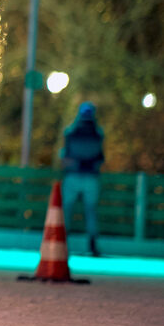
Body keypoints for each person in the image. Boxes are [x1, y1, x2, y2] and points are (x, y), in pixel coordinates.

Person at [60, 101, 105, 257]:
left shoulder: (71, 132)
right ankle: (92, 244)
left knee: (66, 209)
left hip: (73, 176)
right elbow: (100, 158)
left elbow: (65, 156)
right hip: (91, 177)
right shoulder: (98, 134)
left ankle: (61, 242)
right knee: (90, 211)